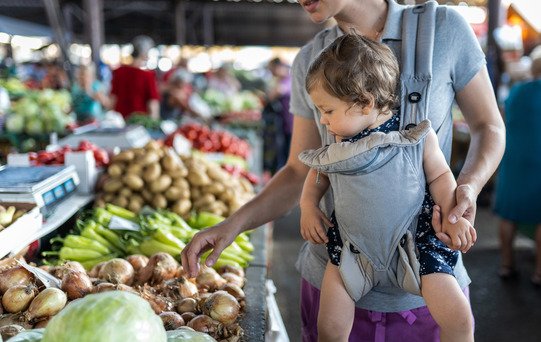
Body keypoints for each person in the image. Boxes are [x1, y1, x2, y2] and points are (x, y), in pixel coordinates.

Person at [181, 1, 506, 340]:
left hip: (425, 289)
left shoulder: (443, 29)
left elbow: (488, 126)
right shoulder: (311, 60)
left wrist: (466, 188)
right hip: (336, 273)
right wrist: (232, 226)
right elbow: (298, 170)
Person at [299, 32, 475, 342]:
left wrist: (453, 216)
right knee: (328, 327)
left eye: (327, 110)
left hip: (415, 244)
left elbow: (440, 177)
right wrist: (308, 206)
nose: (323, 121)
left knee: (459, 320)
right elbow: (318, 175)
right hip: (350, 248)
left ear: (364, 102)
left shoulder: (416, 137)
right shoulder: (335, 146)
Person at [494, 46, 541, 286]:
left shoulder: (516, 91)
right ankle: (539, 272)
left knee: (508, 212)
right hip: (538, 158)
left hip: (513, 156)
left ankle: (507, 264)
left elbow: (501, 119)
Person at [110, 35, 160, 119]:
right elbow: (152, 103)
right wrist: (154, 122)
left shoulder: (119, 71)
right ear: (145, 53)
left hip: (120, 120)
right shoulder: (148, 75)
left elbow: (113, 99)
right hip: (139, 120)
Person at [263, 57, 294, 174]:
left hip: (290, 123)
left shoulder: (287, 80)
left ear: (278, 67)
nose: (272, 73)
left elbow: (275, 93)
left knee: (286, 154)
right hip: (285, 123)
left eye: (272, 69)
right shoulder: (283, 80)